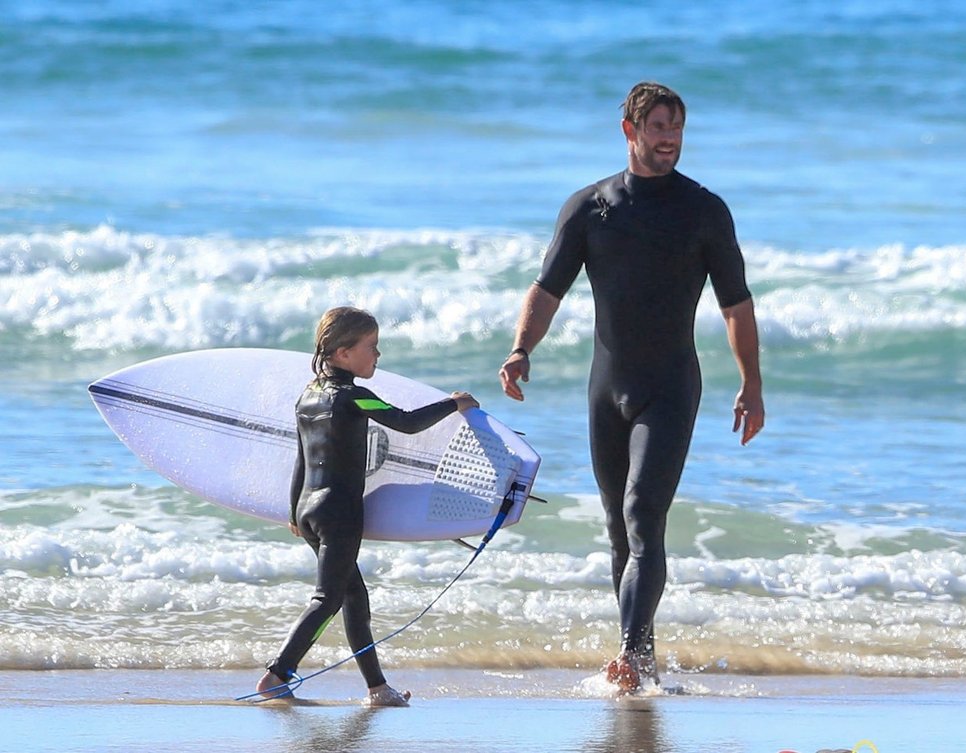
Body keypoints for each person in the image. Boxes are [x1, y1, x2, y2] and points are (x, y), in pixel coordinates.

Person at [498, 82, 764, 693]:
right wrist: (520, 350)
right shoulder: (590, 208)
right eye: (659, 127)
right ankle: (641, 661)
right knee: (620, 530)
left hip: (670, 386)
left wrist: (751, 383)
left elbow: (736, 304)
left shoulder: (703, 211)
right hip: (606, 388)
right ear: (630, 131)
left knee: (644, 513)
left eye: (677, 128)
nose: (670, 139)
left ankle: (626, 655)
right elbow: (547, 290)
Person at [257, 306, 479, 705]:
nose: (377, 356)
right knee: (327, 599)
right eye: (371, 347)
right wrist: (453, 403)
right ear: (343, 354)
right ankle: (277, 673)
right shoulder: (357, 398)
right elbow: (406, 422)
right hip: (339, 513)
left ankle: (377, 688)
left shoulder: (307, 397)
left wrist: (294, 512)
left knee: (354, 598)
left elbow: (301, 458)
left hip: (309, 509)